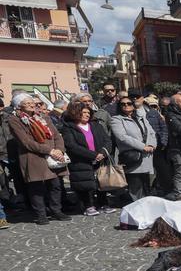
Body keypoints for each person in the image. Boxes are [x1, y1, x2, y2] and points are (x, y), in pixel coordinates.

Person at [6, 93, 68, 224]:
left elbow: (56, 135)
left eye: (33, 103)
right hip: (33, 156)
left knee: (56, 185)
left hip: (53, 155)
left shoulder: (44, 117)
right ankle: (41, 214)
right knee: (36, 187)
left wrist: (59, 150)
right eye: (27, 103)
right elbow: (26, 142)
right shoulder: (15, 120)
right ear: (19, 106)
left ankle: (56, 210)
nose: (32, 105)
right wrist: (50, 150)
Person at [61, 101, 114, 216]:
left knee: (101, 182)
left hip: (100, 159)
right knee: (85, 184)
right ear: (75, 113)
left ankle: (103, 203)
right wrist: (93, 155)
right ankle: (88, 205)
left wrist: (103, 153)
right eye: (83, 112)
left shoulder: (96, 125)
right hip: (81, 161)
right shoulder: (69, 128)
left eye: (88, 112)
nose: (87, 114)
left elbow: (107, 140)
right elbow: (72, 146)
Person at [110, 96, 156, 202]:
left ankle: (146, 206)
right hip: (133, 157)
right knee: (136, 186)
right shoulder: (116, 119)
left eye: (129, 103)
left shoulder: (140, 118)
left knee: (146, 185)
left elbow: (151, 132)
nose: (126, 105)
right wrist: (143, 146)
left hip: (147, 157)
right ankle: (137, 207)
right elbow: (122, 137)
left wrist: (152, 145)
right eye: (123, 104)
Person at [143, 95, 171, 196]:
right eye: (151, 106)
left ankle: (164, 189)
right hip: (145, 147)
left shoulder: (155, 114)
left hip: (158, 146)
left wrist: (163, 142)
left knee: (162, 169)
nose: (153, 108)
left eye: (155, 106)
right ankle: (150, 189)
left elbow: (164, 128)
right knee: (149, 171)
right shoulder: (140, 114)